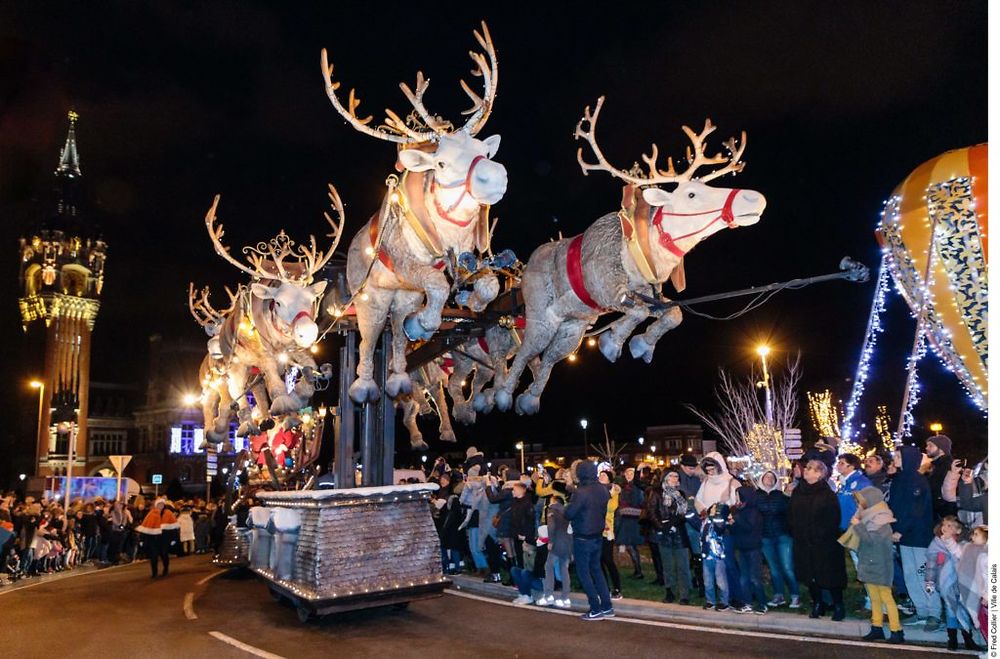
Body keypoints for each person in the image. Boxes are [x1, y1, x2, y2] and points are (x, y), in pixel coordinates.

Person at [841, 486, 904, 644]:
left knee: (886, 597)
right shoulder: (868, 517)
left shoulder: (881, 518)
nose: (859, 506)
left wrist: (858, 526)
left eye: (861, 502)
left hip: (880, 564)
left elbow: (871, 541)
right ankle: (877, 626)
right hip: (869, 563)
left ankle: (896, 630)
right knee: (874, 597)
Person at [888, 445, 941, 631]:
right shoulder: (899, 479)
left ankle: (934, 612)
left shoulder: (917, 481)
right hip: (903, 537)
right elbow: (895, 508)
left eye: (898, 455)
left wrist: (900, 529)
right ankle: (921, 611)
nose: (894, 458)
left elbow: (915, 510)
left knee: (923, 575)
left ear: (908, 458)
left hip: (918, 536)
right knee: (910, 576)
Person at [788, 459, 847, 621]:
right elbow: (791, 515)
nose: (806, 470)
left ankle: (838, 605)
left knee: (829, 574)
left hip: (824, 543)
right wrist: (796, 531)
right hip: (803, 542)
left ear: (820, 473)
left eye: (811, 469)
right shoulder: (798, 492)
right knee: (810, 575)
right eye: (806, 468)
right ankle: (818, 603)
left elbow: (833, 518)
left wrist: (820, 534)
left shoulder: (827, 494)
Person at [565, 460, 615, 621]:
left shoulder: (581, 492)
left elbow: (569, 514)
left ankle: (595, 608)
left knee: (583, 572)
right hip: (597, 535)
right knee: (597, 570)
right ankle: (607, 606)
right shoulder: (602, 489)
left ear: (580, 474)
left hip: (582, 536)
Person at [925, 516, 982, 651]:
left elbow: (962, 557)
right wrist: (929, 582)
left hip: (962, 583)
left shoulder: (963, 545)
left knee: (964, 609)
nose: (946, 528)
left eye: (951, 526)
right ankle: (952, 640)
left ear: (958, 530)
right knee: (951, 610)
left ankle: (968, 639)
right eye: (944, 525)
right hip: (946, 584)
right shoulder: (936, 544)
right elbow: (931, 566)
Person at [756, 470, 800, 608]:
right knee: (774, 568)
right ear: (761, 480)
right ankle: (778, 595)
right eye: (766, 477)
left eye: (772, 477)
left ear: (776, 481)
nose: (769, 479)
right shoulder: (756, 496)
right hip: (765, 536)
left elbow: (789, 512)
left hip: (782, 535)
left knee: (787, 567)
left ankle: (795, 595)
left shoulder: (781, 495)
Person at [650, 470, 691, 604]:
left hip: (679, 532)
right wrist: (662, 528)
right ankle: (670, 592)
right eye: (671, 476)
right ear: (665, 478)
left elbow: (683, 513)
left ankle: (684, 594)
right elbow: (652, 512)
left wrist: (672, 524)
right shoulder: (657, 493)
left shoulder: (681, 494)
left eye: (676, 476)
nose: (674, 478)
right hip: (664, 534)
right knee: (667, 565)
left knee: (682, 565)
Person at [731, 485, 767, 614]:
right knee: (744, 578)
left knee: (755, 578)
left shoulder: (753, 511)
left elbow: (749, 527)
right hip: (742, 547)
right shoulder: (738, 511)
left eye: (738, 496)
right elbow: (735, 530)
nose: (736, 499)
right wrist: (731, 524)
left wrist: (736, 519)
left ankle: (763, 603)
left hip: (753, 548)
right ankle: (747, 602)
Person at [536, 480, 572, 609]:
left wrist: (550, 541)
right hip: (567, 544)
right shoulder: (567, 511)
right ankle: (565, 597)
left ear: (554, 500)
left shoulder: (552, 510)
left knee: (548, 567)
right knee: (564, 569)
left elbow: (551, 527)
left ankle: (548, 595)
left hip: (557, 542)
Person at [597, 468, 623, 599]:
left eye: (604, 475)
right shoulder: (596, 490)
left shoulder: (613, 491)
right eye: (600, 475)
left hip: (607, 530)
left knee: (608, 560)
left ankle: (617, 588)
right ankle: (604, 587)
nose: (601, 477)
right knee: (599, 560)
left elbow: (611, 507)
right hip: (595, 530)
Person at [700, 502, 731, 611]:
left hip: (717, 556)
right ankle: (710, 601)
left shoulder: (721, 522)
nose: (713, 509)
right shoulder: (705, 521)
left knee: (721, 581)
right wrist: (690, 513)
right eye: (712, 507)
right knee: (707, 581)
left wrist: (717, 516)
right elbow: (695, 524)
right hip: (706, 555)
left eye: (716, 508)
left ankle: (724, 602)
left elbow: (719, 529)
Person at [616, 467, 645, 579]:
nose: (629, 474)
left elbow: (639, 502)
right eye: (627, 472)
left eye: (631, 472)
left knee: (631, 545)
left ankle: (638, 571)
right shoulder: (624, 486)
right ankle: (637, 570)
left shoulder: (636, 487)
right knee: (630, 545)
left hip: (633, 519)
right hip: (626, 519)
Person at [137, 499, 174, 578]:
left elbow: (173, 525)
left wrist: (173, 537)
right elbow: (146, 526)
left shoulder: (168, 513)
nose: (161, 506)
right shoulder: (151, 514)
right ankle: (154, 572)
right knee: (153, 556)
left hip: (164, 537)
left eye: (162, 504)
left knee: (164, 555)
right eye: (159, 504)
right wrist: (142, 538)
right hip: (153, 538)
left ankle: (165, 569)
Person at [925, 434, 957, 521]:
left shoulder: (945, 465)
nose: (927, 448)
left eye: (930, 446)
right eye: (927, 445)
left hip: (942, 512)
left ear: (941, 449)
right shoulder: (935, 465)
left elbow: (935, 487)